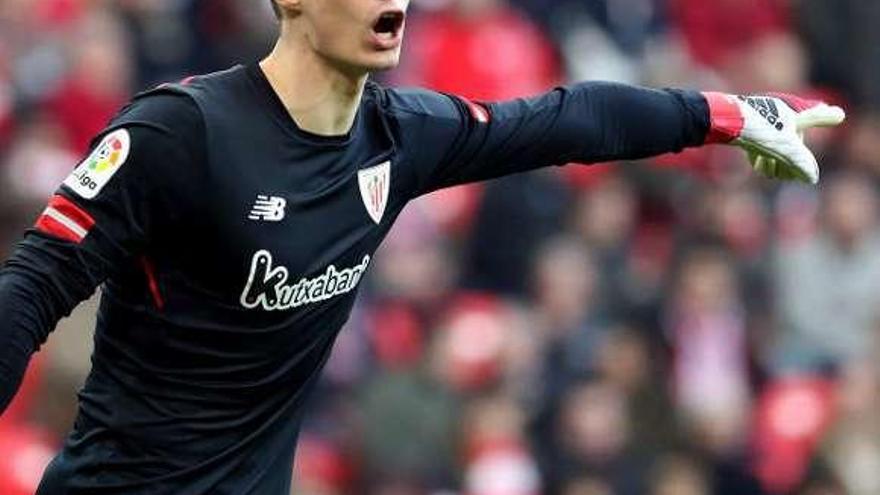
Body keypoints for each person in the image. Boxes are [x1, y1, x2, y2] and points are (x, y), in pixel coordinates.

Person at [0, 0, 845, 493]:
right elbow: (32, 284)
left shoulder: (399, 138)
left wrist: (727, 114)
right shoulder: (180, 132)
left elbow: (564, 120)